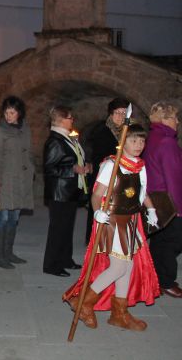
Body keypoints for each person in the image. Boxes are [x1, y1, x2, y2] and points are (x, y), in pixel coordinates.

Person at [63, 124, 160, 331]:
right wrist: (98, 211)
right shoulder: (112, 165)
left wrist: (151, 209)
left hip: (131, 220)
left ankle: (120, 313)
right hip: (113, 221)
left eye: (142, 141)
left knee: (129, 265)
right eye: (133, 141)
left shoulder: (139, 165)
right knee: (118, 266)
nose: (138, 145)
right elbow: (97, 194)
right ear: (123, 142)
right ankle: (84, 302)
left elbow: (141, 193)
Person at [42, 105, 92, 277]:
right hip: (59, 192)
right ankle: (51, 265)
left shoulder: (67, 137)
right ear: (62, 120)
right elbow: (49, 168)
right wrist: (73, 170)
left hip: (69, 191)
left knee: (67, 227)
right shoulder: (55, 140)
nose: (72, 120)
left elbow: (74, 158)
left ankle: (65, 259)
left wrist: (85, 166)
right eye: (70, 118)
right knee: (58, 229)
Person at [142, 101, 182, 298]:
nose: (177, 121)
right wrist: (179, 208)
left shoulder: (154, 137)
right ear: (165, 119)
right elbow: (173, 177)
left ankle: (155, 276)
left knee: (160, 240)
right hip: (168, 199)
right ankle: (165, 280)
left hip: (155, 198)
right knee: (172, 241)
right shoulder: (167, 141)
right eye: (174, 117)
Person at [0, 96, 34, 269]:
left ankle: (8, 252)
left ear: (19, 113)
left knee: (14, 217)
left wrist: (31, 169)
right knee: (3, 216)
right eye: (6, 113)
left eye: (12, 113)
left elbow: (29, 151)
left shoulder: (25, 128)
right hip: (6, 179)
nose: (8, 116)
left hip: (21, 179)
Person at [83, 98, 130, 243]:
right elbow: (97, 154)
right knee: (100, 205)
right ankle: (94, 239)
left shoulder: (128, 131)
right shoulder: (103, 131)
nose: (120, 116)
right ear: (110, 113)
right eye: (117, 112)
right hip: (104, 174)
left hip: (122, 175)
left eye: (123, 113)